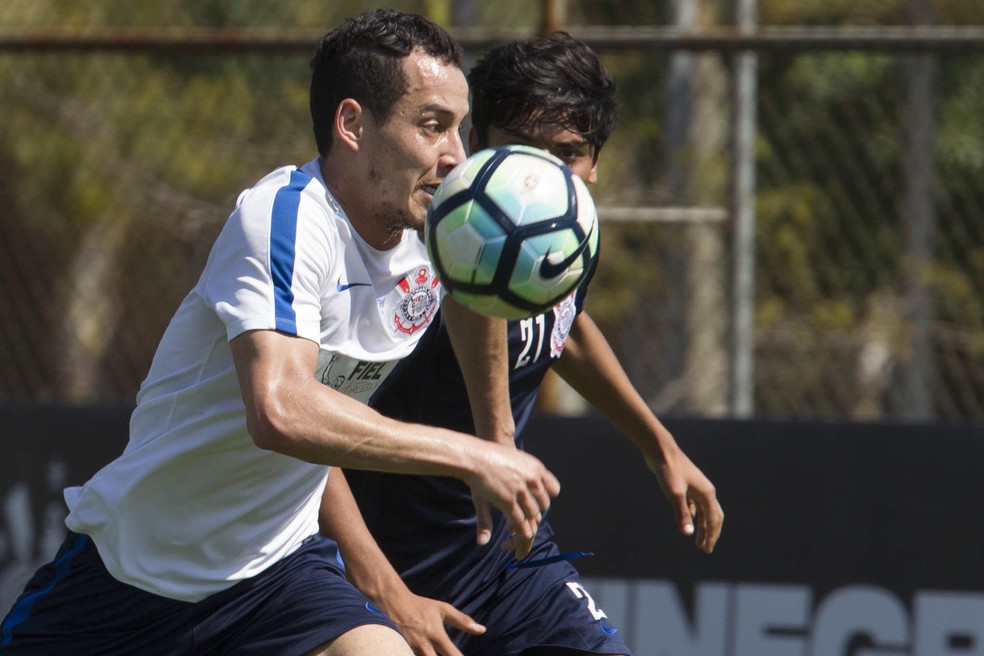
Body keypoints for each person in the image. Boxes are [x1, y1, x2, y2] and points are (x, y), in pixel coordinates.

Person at [0, 11, 560, 655]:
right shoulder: (285, 219)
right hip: (132, 578)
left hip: (277, 578)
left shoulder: (441, 229)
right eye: (432, 126)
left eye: (458, 128)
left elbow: (473, 296)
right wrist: (471, 455)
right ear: (352, 125)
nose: (456, 154)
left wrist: (496, 433)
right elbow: (283, 411)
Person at [340, 32, 725, 656]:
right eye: (520, 147)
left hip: (505, 560)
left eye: (566, 154)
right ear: (476, 145)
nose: (535, 179)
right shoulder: (426, 242)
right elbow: (473, 302)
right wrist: (496, 440)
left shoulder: (565, 229)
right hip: (375, 565)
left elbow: (562, 326)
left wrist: (660, 445)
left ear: (594, 163)